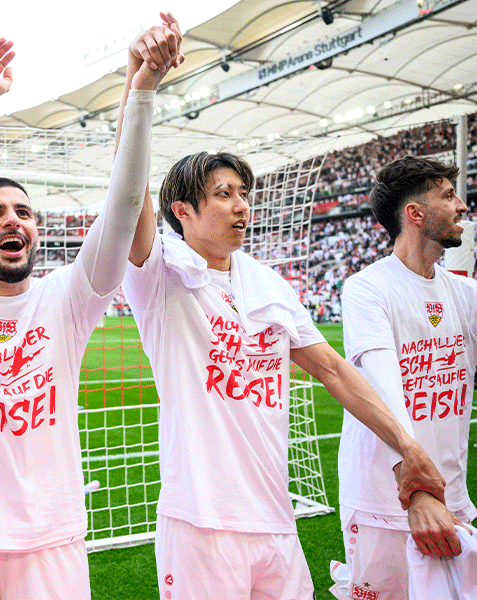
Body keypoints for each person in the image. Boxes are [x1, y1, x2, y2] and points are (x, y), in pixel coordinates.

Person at [115, 14, 453, 600]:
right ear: (182, 211)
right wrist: (139, 87)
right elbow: (126, 190)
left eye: (244, 193)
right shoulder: (161, 275)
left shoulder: (267, 284)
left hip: (275, 520)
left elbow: (336, 372)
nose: (242, 205)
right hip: (201, 524)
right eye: (224, 194)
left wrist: (408, 445)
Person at [0, 38, 171, 599]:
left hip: (51, 540)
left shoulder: (68, 299)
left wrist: (140, 95)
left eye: (23, 212)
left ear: (36, 231)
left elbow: (124, 207)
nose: (12, 220)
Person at [329, 155, 475, 600]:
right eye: (448, 196)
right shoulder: (367, 288)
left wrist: (438, 494)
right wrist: (415, 491)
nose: (462, 207)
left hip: (449, 495)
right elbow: (382, 386)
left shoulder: (466, 294)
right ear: (414, 214)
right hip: (383, 501)